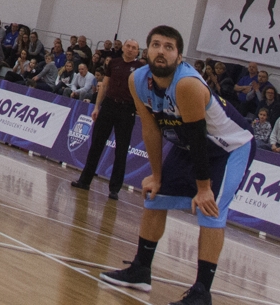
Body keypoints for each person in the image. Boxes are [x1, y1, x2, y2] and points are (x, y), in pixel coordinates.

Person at [101, 26, 254, 305]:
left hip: (227, 148)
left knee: (210, 210)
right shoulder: (138, 79)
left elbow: (198, 138)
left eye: (169, 47)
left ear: (179, 56)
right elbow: (150, 128)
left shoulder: (186, 84)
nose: (161, 51)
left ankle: (201, 293)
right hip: (187, 144)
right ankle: (140, 270)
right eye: (156, 45)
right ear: (147, 52)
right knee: (154, 196)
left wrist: (204, 187)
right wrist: (156, 176)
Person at [72, 37, 142, 197]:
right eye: (128, 46)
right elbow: (104, 85)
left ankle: (114, 189)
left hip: (127, 110)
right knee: (96, 144)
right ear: (123, 47)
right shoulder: (114, 63)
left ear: (137, 51)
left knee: (121, 150)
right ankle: (84, 181)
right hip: (109, 106)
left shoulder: (140, 68)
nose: (131, 49)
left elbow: (142, 91)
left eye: (134, 48)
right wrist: (97, 107)